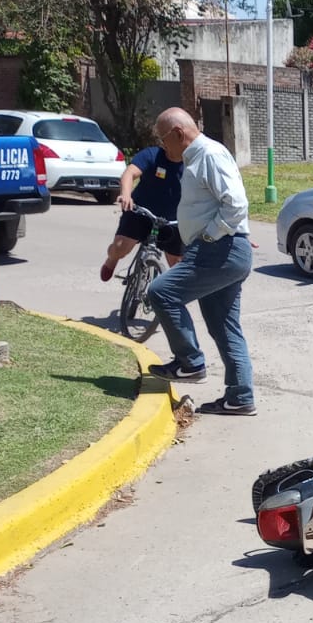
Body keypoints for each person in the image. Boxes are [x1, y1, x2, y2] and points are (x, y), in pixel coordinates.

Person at [145, 107, 257, 415]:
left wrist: (211, 236)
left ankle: (190, 363)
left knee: (161, 292)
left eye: (163, 140)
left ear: (179, 134)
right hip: (225, 248)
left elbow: (235, 203)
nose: (162, 147)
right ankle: (240, 398)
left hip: (218, 249)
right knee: (224, 325)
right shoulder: (199, 158)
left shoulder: (208, 155)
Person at [99, 141, 184, 282]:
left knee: (177, 262)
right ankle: (112, 259)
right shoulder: (152, 155)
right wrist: (126, 194)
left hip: (173, 219)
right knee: (121, 247)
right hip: (141, 212)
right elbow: (129, 173)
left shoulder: (192, 162)